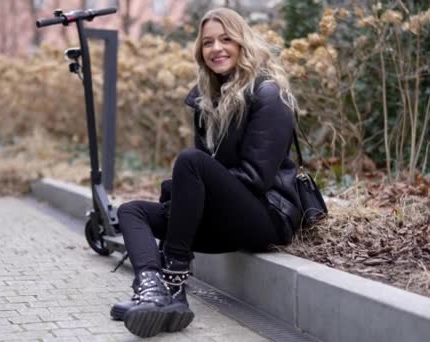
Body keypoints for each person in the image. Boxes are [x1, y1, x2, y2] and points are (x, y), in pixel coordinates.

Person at [111, 7, 303, 338]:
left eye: (226, 39)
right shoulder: (205, 101)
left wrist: (192, 196)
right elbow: (206, 175)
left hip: (266, 216)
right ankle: (154, 291)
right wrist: (184, 198)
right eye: (208, 42)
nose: (216, 48)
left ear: (243, 42)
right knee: (132, 211)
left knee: (189, 162)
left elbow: (256, 178)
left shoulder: (269, 94)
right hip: (224, 217)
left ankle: (172, 282)